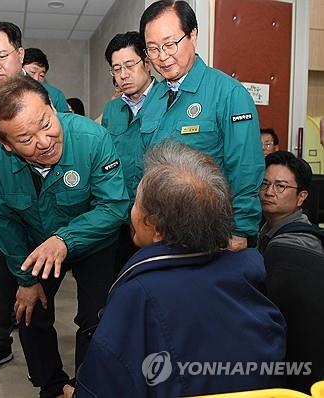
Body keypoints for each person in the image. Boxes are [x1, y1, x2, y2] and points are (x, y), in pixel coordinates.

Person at [64, 142, 286, 398]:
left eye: (136, 202)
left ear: (155, 226)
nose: (130, 211)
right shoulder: (250, 269)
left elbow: (106, 383)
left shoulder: (138, 294)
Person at [0, 75, 129, 398]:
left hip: (93, 239)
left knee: (97, 317)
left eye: (46, 123)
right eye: (26, 138)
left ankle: (88, 387)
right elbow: (4, 221)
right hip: (35, 242)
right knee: (29, 312)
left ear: (52, 106)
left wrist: (65, 240)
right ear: (6, 144)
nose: (45, 141)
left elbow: (115, 206)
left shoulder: (93, 138)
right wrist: (25, 279)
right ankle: (51, 386)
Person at [0, 19, 70, 379]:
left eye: (2, 55)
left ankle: (40, 345)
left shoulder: (49, 97)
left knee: (42, 276)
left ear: (20, 54)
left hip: (48, 205)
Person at [140, 0, 265, 251]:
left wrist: (240, 229)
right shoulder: (153, 97)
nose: (162, 57)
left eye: (170, 44)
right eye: (153, 49)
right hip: (162, 230)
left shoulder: (229, 94)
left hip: (210, 232)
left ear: (193, 35)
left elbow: (245, 167)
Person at [258, 151, 324, 392]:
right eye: (264, 183)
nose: (268, 192)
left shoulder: (296, 247)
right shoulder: (265, 230)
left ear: (301, 197)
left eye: (280, 186)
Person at [101, 31, 158, 275]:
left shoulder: (168, 101)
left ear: (146, 62)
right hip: (120, 217)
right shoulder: (112, 110)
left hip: (158, 216)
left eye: (129, 65)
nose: (123, 75)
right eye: (116, 69)